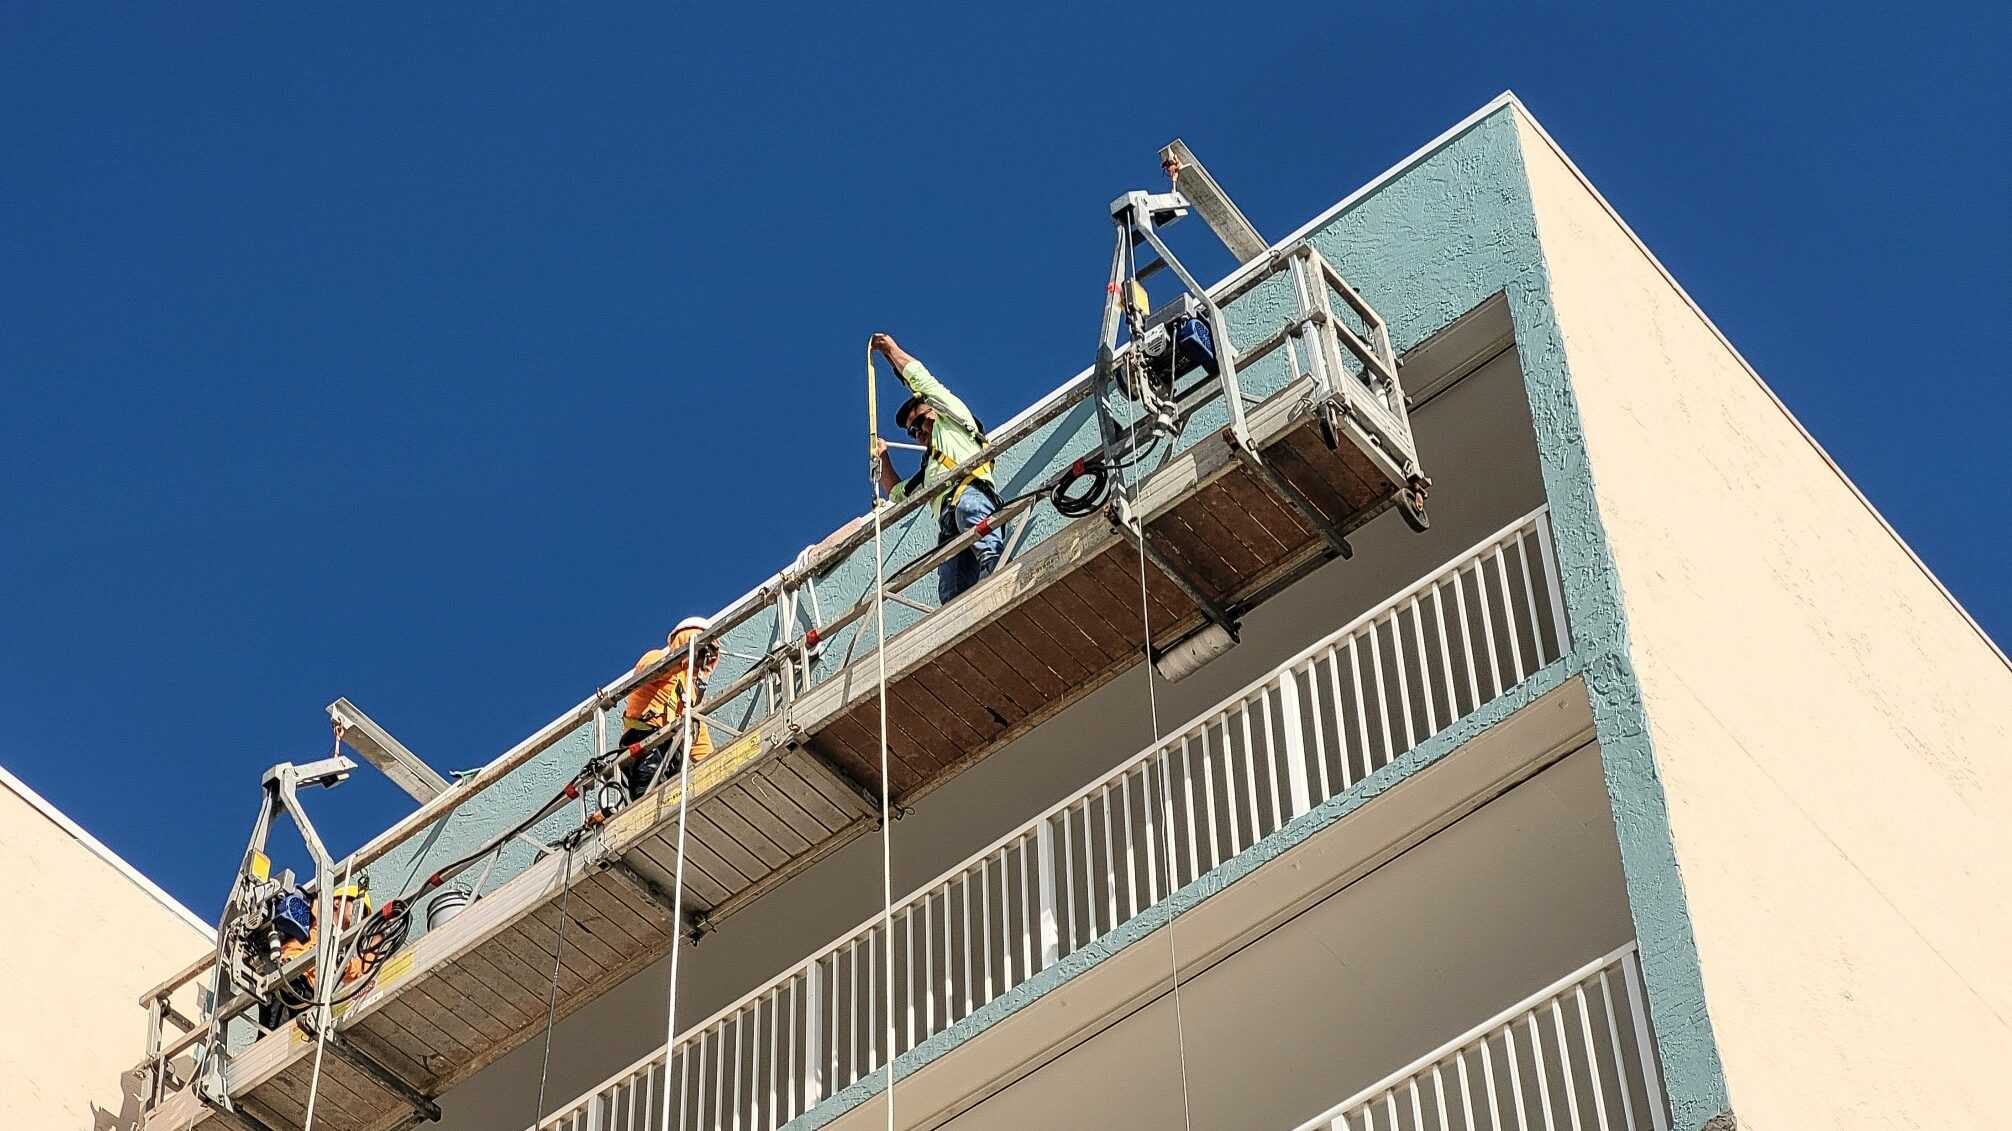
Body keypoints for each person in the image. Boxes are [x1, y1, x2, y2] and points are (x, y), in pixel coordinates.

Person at [869, 332, 1003, 603]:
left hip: (970, 496)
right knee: (952, 588)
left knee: (986, 547)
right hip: (948, 520)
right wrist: (883, 459)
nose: (917, 433)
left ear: (934, 411)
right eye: (912, 432)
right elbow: (898, 493)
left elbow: (925, 383)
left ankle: (1002, 582)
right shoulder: (929, 472)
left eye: (919, 423)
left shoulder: (955, 422)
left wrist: (891, 352)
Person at [620, 616, 719, 798]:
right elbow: (652, 670)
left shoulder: (690, 696)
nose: (704, 658)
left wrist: (719, 769)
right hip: (645, 743)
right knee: (648, 797)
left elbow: (700, 743)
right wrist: (686, 655)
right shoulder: (657, 658)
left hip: (670, 754)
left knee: (669, 797)